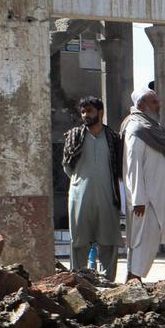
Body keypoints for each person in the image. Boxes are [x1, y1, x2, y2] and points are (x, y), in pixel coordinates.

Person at [62, 95, 124, 281]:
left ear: (100, 112)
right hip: (80, 196)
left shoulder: (113, 138)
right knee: (79, 240)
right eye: (82, 112)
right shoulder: (74, 136)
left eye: (89, 111)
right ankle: (80, 279)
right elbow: (67, 167)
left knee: (108, 240)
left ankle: (107, 279)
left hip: (107, 195)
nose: (85, 115)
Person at [121, 87, 165, 283]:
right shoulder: (136, 129)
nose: (158, 105)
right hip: (144, 200)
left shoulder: (149, 128)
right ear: (141, 105)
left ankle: (133, 280)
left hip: (153, 197)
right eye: (154, 102)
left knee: (147, 240)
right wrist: (138, 199)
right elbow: (132, 165)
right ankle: (133, 280)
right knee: (141, 240)